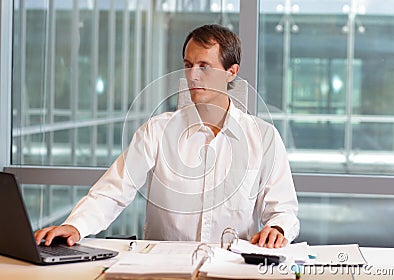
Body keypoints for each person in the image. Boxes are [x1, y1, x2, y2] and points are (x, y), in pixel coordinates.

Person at [35, 24, 299, 249]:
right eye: (188, 65)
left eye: (204, 66)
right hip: (164, 270)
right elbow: (114, 190)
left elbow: (283, 210)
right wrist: (75, 226)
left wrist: (277, 228)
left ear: (231, 72)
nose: (192, 75)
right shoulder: (157, 131)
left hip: (233, 268)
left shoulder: (263, 137)